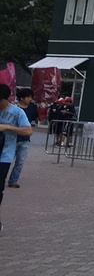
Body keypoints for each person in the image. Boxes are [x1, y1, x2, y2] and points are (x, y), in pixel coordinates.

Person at [0, 86, 34, 232]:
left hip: (4, 155)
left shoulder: (17, 112)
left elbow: (28, 130)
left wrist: (8, 127)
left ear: (8, 98)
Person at [7, 88, 37, 188]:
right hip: (12, 138)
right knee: (6, 159)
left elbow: (34, 119)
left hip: (25, 139)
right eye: (28, 97)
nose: (30, 99)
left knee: (20, 162)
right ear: (21, 98)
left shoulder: (32, 107)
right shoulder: (14, 108)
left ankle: (13, 180)